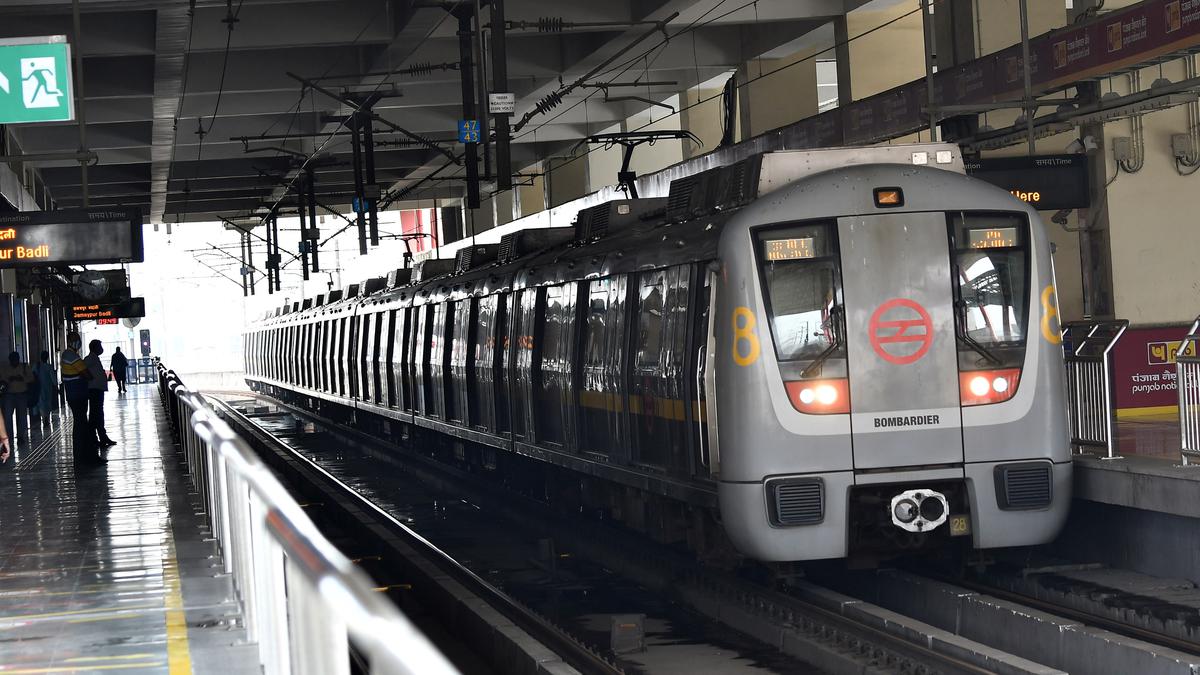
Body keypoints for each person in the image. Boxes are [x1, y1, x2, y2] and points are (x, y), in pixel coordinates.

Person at [61, 332, 101, 465]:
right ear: (70, 341)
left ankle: (83, 456)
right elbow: (87, 374)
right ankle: (84, 456)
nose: (77, 342)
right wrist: (87, 375)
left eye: (77, 339)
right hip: (77, 395)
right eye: (75, 340)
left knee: (81, 425)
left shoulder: (69, 355)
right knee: (81, 426)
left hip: (76, 395)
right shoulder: (71, 355)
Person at [84, 340, 116, 449]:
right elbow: (83, 368)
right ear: (95, 347)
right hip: (94, 390)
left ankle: (101, 437)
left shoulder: (95, 358)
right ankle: (96, 437)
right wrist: (90, 378)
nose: (101, 349)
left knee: (97, 414)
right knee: (96, 414)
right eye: (100, 346)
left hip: (97, 389)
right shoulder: (91, 358)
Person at [0, 351, 34, 444]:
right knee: (7, 417)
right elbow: (3, 379)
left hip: (22, 394)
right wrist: (10, 379)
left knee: (22, 416)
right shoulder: (5, 368)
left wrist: (22, 378)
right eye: (13, 360)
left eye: (16, 360)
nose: (14, 362)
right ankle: (9, 437)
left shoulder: (24, 367)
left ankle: (20, 436)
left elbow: (31, 378)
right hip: (9, 395)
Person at [30, 351, 55, 428]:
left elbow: (32, 375)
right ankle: (45, 418)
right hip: (47, 387)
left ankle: (42, 418)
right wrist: (55, 385)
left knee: (40, 403)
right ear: (47, 358)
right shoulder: (49, 367)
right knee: (47, 403)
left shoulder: (36, 365)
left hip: (38, 387)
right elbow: (53, 378)